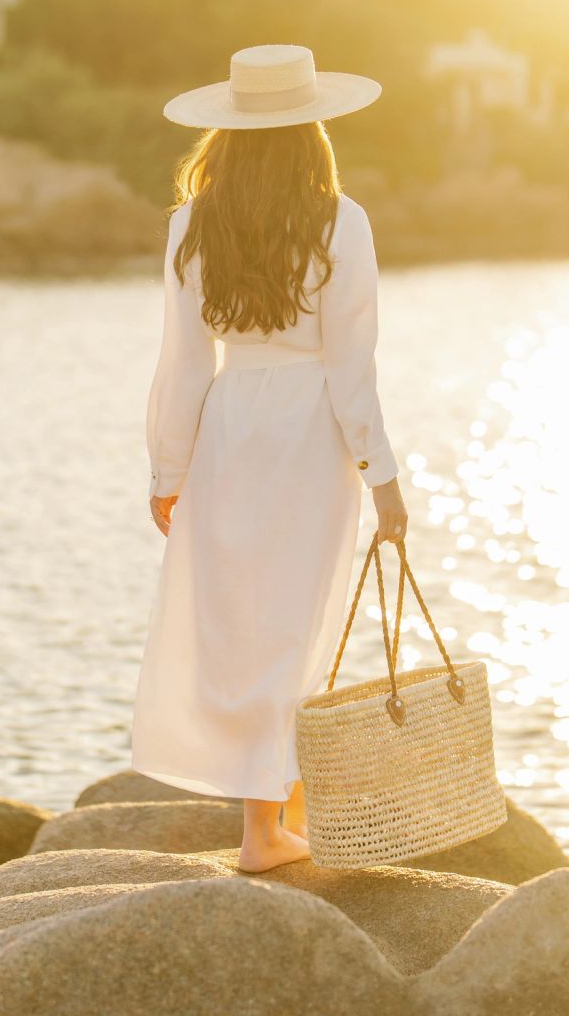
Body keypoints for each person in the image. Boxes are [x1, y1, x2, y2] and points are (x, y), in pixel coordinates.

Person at [131, 44, 410, 872]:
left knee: (241, 620)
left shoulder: (193, 222)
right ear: (311, 128)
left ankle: (272, 819)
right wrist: (384, 475)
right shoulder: (340, 220)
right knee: (296, 618)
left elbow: (183, 359)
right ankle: (264, 831)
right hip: (309, 433)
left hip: (229, 428)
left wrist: (166, 470)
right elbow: (351, 365)